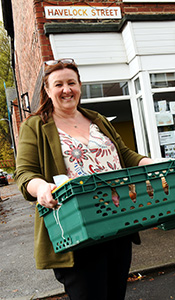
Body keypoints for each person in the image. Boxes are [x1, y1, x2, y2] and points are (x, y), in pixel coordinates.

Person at [15, 58, 153, 299]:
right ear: (47, 90)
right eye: (58, 85)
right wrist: (42, 188)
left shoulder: (96, 119)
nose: (66, 90)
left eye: (71, 83)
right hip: (77, 231)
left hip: (117, 224)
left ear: (80, 85)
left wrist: (149, 163)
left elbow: (125, 155)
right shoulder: (36, 125)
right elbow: (25, 173)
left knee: (115, 294)